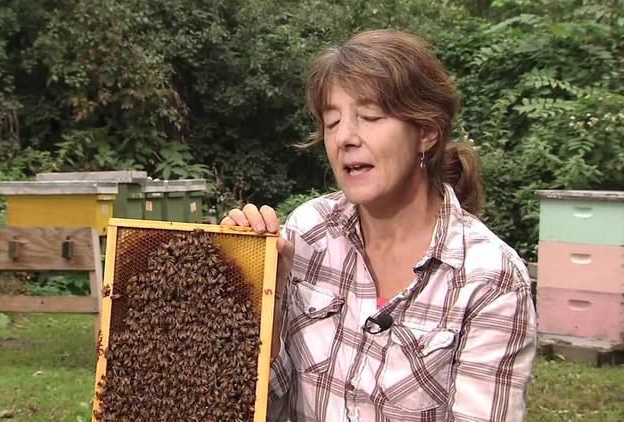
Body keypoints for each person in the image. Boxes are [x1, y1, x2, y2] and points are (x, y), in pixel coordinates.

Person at [220, 29, 536, 422]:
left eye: (369, 117)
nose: (345, 138)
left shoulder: (490, 279)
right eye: (332, 122)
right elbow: (267, 406)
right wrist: (260, 295)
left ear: (426, 132)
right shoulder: (309, 232)